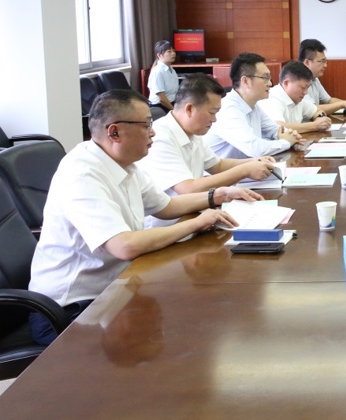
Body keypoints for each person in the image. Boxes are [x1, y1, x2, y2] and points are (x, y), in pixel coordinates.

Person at [28, 90, 258, 345]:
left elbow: (166, 206)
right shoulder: (82, 173)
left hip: (115, 289)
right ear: (114, 132)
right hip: (71, 309)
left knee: (193, 313)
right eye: (146, 125)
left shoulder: (124, 163)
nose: (153, 132)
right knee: (180, 329)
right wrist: (196, 222)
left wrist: (218, 195)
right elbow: (124, 246)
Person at [138, 74, 278, 197]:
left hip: (195, 208)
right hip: (175, 216)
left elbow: (218, 165)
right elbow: (187, 189)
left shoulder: (193, 131)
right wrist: (244, 170)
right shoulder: (160, 137)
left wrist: (254, 162)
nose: (215, 119)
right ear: (190, 109)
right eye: (212, 113)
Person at [204, 52, 302, 159]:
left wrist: (291, 135)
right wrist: (286, 142)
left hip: (248, 167)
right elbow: (255, 149)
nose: (270, 83)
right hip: (227, 169)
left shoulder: (253, 105)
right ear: (245, 81)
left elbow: (275, 129)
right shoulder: (228, 110)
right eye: (265, 78)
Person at [258, 60, 334, 133]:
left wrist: (321, 118)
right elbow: (278, 127)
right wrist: (315, 125)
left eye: (307, 88)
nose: (306, 92)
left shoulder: (297, 99)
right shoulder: (273, 98)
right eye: (303, 87)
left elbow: (316, 111)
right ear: (286, 83)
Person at [299, 39, 346, 116]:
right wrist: (342, 104)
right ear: (307, 62)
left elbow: (328, 100)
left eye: (325, 61)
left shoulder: (314, 78)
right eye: (322, 61)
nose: (325, 65)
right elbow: (313, 109)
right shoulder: (298, 81)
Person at [146, 40, 179, 112]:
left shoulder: (172, 70)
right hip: (159, 107)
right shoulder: (157, 71)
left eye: (173, 51)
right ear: (159, 55)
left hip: (171, 104)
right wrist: (174, 111)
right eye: (169, 51)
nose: (173, 53)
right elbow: (162, 99)